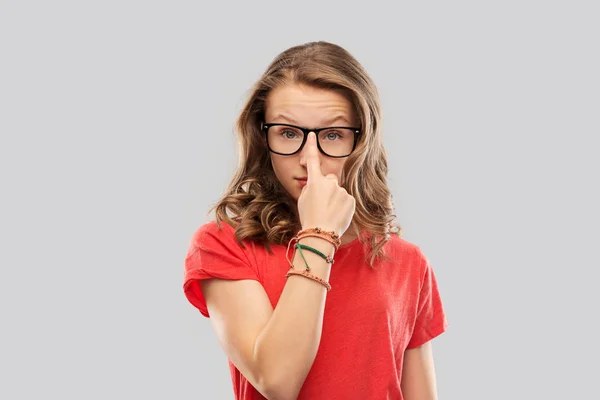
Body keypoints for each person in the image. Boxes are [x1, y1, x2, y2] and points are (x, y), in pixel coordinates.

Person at [182, 41, 448, 400]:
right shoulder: (225, 244)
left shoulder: (408, 262)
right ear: (264, 137)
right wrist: (320, 235)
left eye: (333, 135)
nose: (310, 159)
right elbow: (276, 381)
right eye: (289, 133)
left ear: (362, 142)